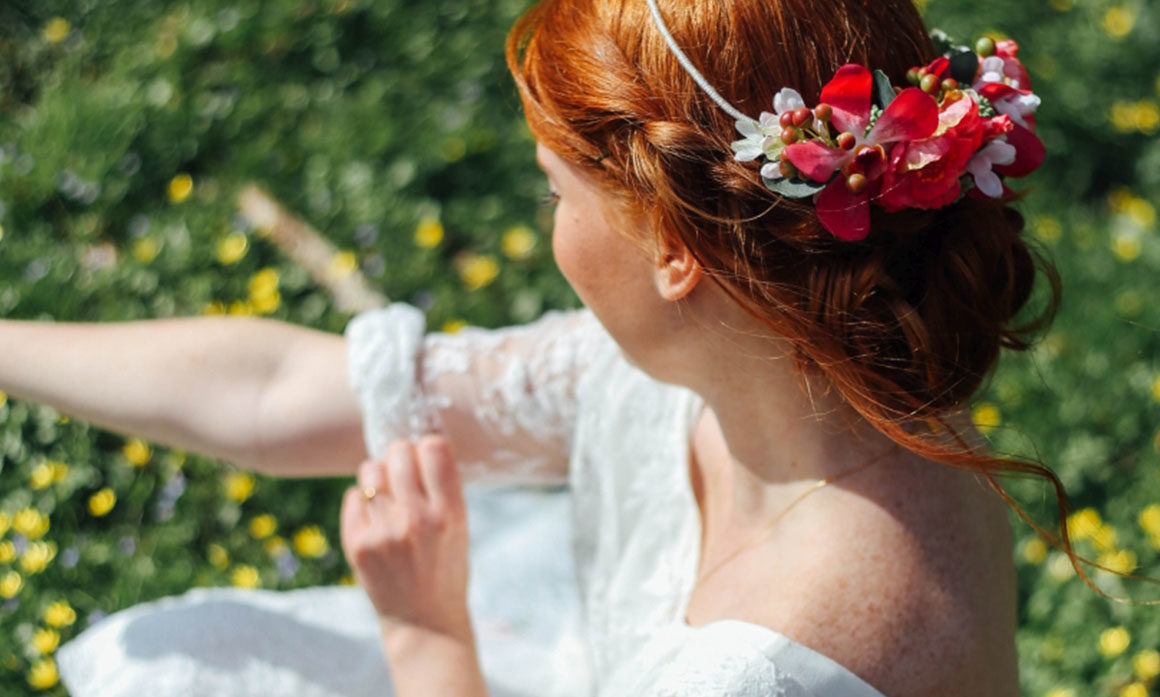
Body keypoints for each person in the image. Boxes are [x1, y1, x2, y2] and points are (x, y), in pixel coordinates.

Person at [0, 0, 1061, 695]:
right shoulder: (760, 361)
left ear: (673, 250)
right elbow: (287, 390)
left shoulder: (769, 668)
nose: (545, 223)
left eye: (554, 193)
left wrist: (427, 638)